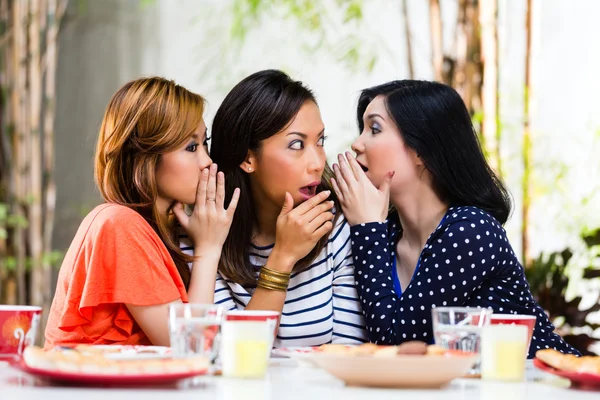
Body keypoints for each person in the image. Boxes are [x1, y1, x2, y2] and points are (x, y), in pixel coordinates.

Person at [331, 80, 579, 358]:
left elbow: (395, 347)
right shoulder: (384, 235)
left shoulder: (470, 231)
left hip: (547, 388)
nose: (357, 143)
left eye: (374, 129)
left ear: (420, 150)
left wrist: (366, 230)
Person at [45, 77, 239, 348]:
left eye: (203, 143)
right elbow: (192, 345)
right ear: (144, 159)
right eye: (191, 147)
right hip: (89, 389)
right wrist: (208, 247)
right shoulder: (118, 224)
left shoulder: (154, 230)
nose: (207, 161)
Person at [182, 70, 366, 347]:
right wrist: (282, 257)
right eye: (296, 145)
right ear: (248, 159)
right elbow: (227, 354)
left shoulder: (337, 227)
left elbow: (348, 355)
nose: (317, 162)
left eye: (320, 141)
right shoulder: (204, 233)